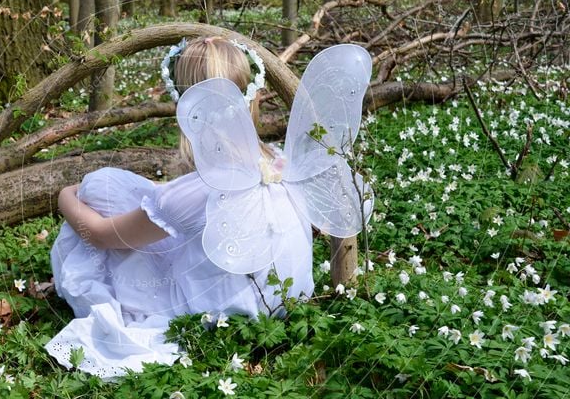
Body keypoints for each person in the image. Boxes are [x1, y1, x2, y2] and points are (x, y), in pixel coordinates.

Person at [45, 37, 372, 379]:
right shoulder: (280, 162)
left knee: (100, 186)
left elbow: (99, 236)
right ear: (253, 94)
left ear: (186, 106)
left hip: (214, 314)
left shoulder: (196, 190)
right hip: (281, 308)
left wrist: (65, 196)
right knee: (134, 198)